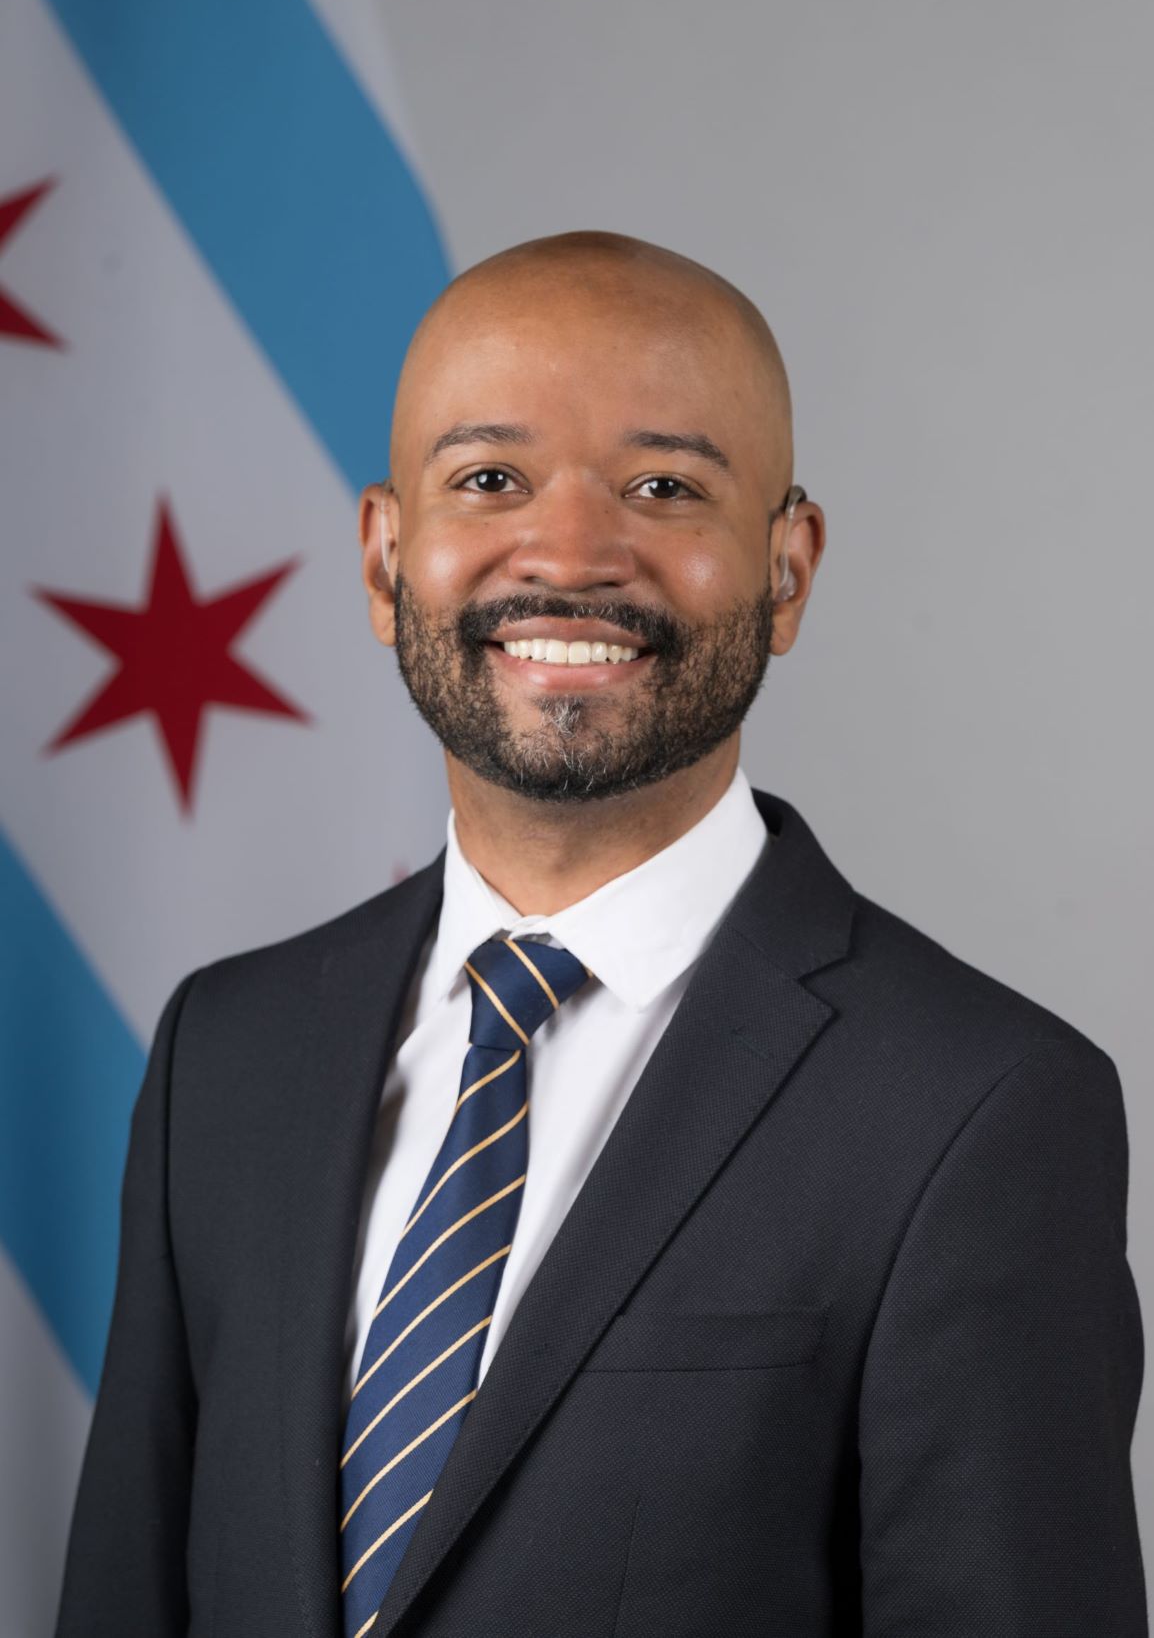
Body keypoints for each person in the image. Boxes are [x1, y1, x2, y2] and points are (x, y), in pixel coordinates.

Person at [56, 232, 1146, 1638]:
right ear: (388, 560)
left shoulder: (977, 1108)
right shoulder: (228, 1052)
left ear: (787, 569)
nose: (568, 554)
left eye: (662, 486)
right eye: (489, 480)